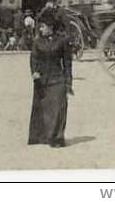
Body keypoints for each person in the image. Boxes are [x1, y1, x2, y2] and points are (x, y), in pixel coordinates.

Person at [28, 8, 73, 148]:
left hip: (58, 78)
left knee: (59, 109)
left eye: (43, 26)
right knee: (43, 108)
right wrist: (34, 72)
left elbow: (67, 63)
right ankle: (41, 136)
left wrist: (68, 82)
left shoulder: (63, 41)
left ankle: (57, 138)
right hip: (42, 80)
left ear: (50, 27)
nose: (40, 29)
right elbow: (33, 58)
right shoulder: (37, 42)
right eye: (40, 27)